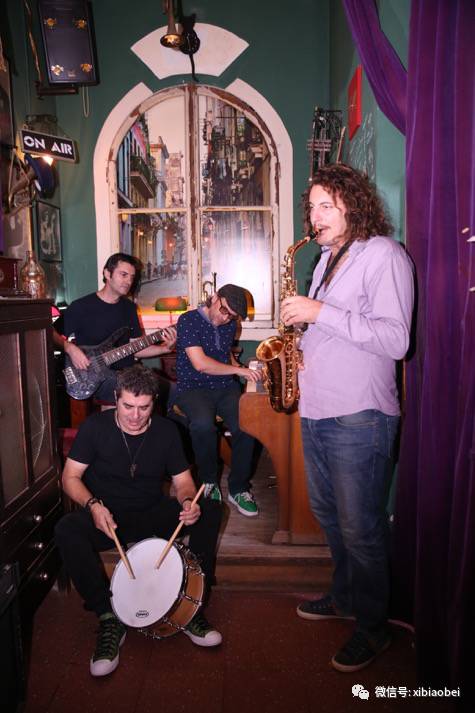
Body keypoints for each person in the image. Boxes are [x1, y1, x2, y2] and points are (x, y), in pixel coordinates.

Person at [280, 164, 414, 673]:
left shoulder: (384, 254)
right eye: (311, 206)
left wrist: (318, 313)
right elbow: (331, 330)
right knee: (332, 518)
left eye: (326, 206)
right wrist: (298, 344)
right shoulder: (325, 259)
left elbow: (396, 339)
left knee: (362, 529)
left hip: (361, 415)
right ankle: (345, 597)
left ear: (354, 205)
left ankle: (374, 628)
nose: (315, 217)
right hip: (318, 410)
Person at [55, 365, 223, 678]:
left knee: (210, 510)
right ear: (116, 399)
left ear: (154, 403)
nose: (135, 416)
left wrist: (188, 502)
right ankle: (107, 616)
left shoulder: (167, 431)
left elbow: (184, 482)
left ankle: (190, 607)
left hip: (150, 512)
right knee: (66, 529)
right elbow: (70, 478)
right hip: (107, 518)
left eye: (143, 408)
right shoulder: (94, 427)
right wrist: (93, 506)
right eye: (128, 406)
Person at [174, 284, 261, 516]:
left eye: (231, 316)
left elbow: (224, 352)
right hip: (193, 387)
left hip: (224, 386)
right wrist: (239, 371)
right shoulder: (188, 320)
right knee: (203, 425)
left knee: (248, 426)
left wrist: (240, 367)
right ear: (214, 297)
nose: (226, 319)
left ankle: (239, 488)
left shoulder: (230, 324)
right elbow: (201, 364)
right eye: (224, 311)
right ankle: (209, 482)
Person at [53, 252, 176, 402]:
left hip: (128, 373)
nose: (128, 281)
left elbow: (136, 347)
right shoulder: (81, 306)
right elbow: (50, 333)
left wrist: (165, 348)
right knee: (140, 393)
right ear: (107, 273)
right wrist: (69, 348)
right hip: (95, 377)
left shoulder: (130, 308)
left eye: (131, 277)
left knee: (174, 391)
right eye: (123, 275)